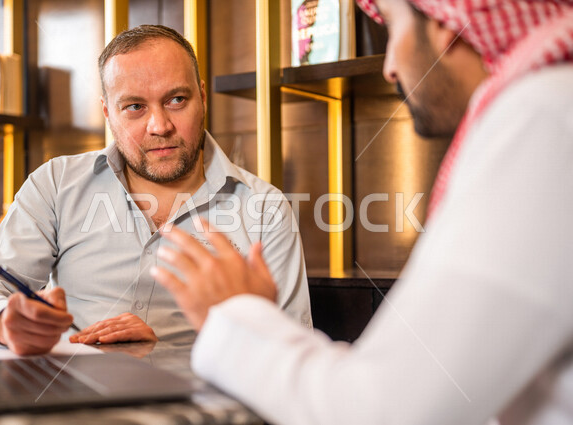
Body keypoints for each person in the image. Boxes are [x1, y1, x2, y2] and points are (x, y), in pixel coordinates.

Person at [151, 1, 573, 424]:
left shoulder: (546, 115)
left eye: (392, 27)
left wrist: (235, 312)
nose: (390, 66)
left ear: (448, 26)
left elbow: (383, 411)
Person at [0, 25, 312, 356]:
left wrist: (161, 352)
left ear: (202, 97)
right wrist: (3, 323)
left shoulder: (266, 209)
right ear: (107, 112)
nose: (159, 126)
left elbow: (292, 354)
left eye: (176, 99)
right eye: (135, 107)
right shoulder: (56, 184)